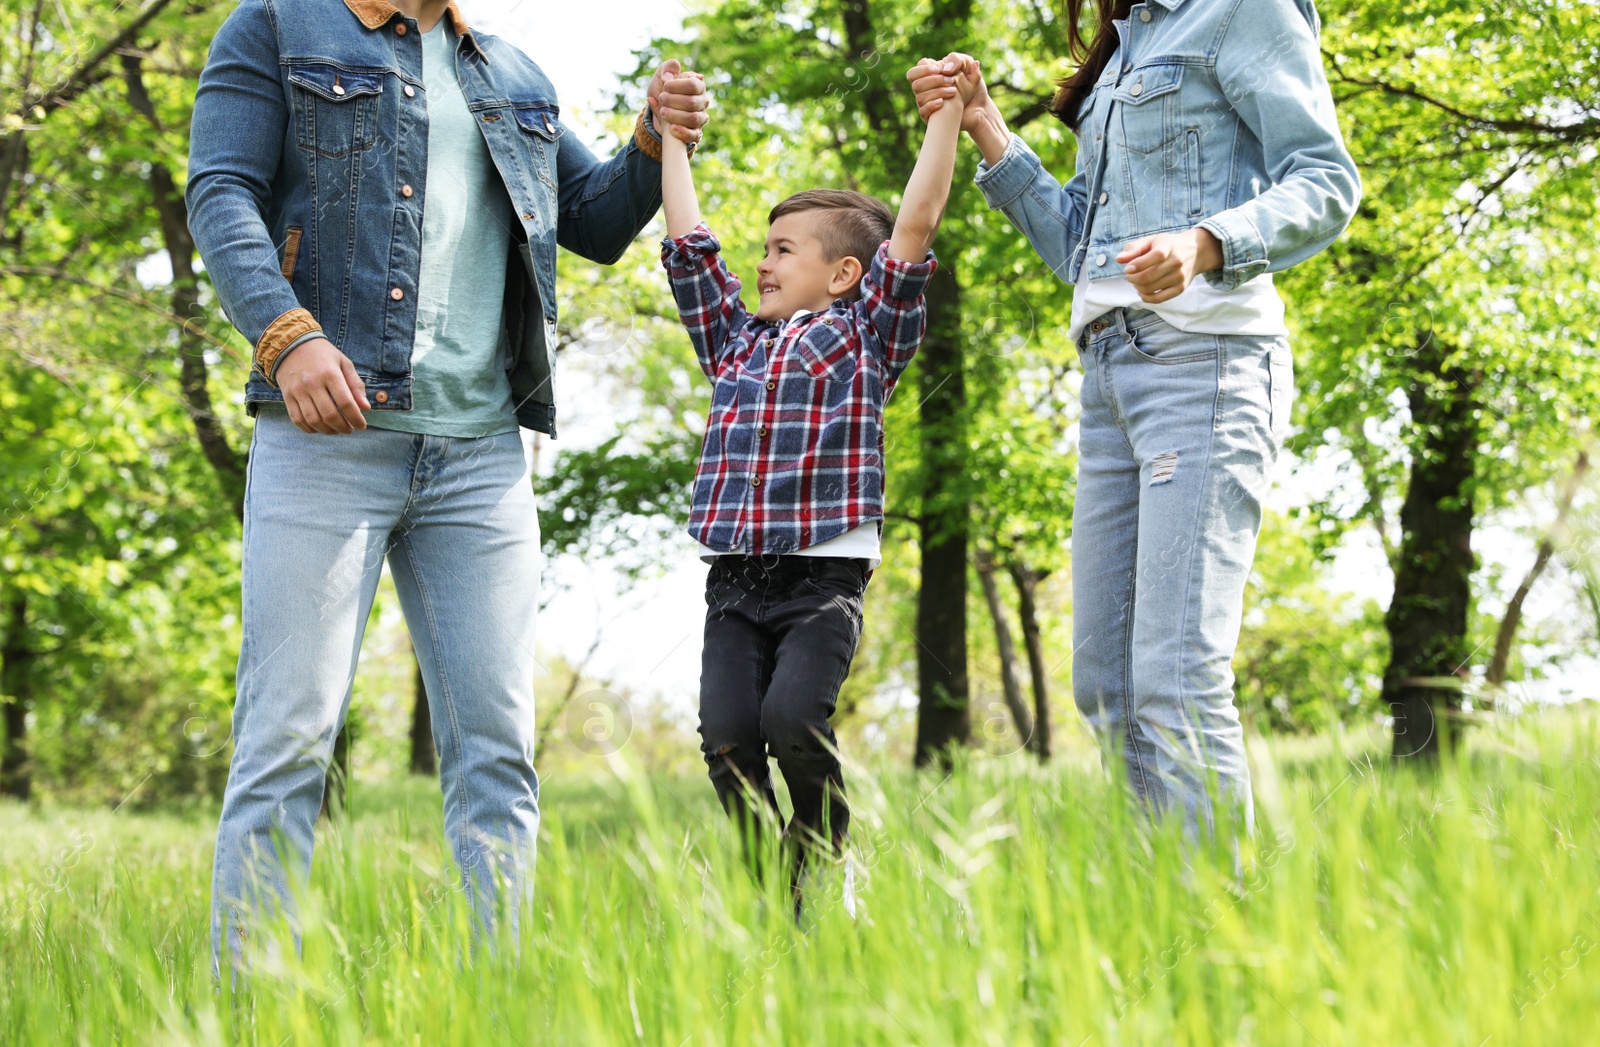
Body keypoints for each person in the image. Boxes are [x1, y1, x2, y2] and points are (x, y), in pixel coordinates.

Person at [185, 0, 707, 969]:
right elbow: (219, 193)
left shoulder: (508, 73)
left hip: (479, 456)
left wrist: (650, 135)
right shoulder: (277, 26)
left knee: (498, 755)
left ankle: (492, 1000)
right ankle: (248, 1008)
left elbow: (589, 223)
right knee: (288, 740)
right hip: (326, 439)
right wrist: (285, 334)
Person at [909, 0, 1361, 841]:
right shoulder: (1130, 44)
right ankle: (1163, 916)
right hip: (1109, 372)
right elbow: (1080, 242)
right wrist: (983, 125)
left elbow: (1327, 180)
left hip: (1206, 363)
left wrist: (1206, 242)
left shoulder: (1243, 12)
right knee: (1108, 685)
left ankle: (1218, 931)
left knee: (1175, 681)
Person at [655, 68, 974, 914]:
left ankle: (828, 856)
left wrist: (945, 118)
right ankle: (775, 894)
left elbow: (915, 225)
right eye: (762, 250)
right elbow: (690, 248)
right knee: (726, 739)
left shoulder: (866, 334)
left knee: (793, 719)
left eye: (781, 251)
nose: (760, 264)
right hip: (735, 581)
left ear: (843, 275)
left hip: (821, 580)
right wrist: (672, 140)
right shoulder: (733, 341)